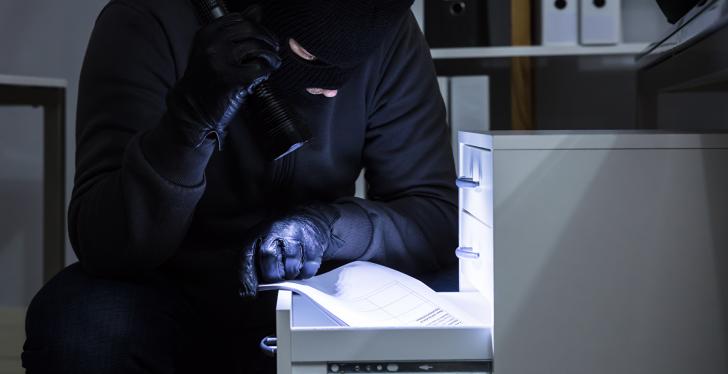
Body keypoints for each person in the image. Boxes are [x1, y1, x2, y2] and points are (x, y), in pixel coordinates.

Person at [22, 0, 457, 372]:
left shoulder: (389, 31)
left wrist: (329, 229)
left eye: (351, 68)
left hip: (310, 295)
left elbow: (434, 216)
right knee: (79, 323)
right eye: (307, 53)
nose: (328, 92)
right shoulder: (146, 19)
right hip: (166, 288)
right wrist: (189, 121)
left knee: (455, 297)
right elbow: (106, 244)